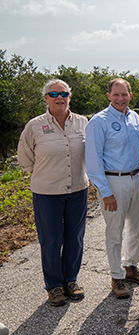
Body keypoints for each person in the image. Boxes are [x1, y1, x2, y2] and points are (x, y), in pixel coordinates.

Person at [17, 79, 88, 307]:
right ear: (46, 98)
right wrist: (44, 173)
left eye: (64, 93)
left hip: (78, 189)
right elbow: (25, 158)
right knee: (51, 240)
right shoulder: (35, 126)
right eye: (54, 93)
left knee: (75, 239)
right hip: (47, 192)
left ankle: (71, 281)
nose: (60, 97)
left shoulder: (83, 122)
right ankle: (54, 286)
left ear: (70, 96)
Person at [86, 78, 139, 299]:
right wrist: (105, 192)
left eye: (124, 94)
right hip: (113, 181)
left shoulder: (134, 117)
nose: (120, 98)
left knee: (137, 227)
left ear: (130, 96)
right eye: (116, 95)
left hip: (136, 178)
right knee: (114, 231)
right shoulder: (99, 121)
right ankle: (116, 276)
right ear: (108, 96)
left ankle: (131, 266)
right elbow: (93, 161)